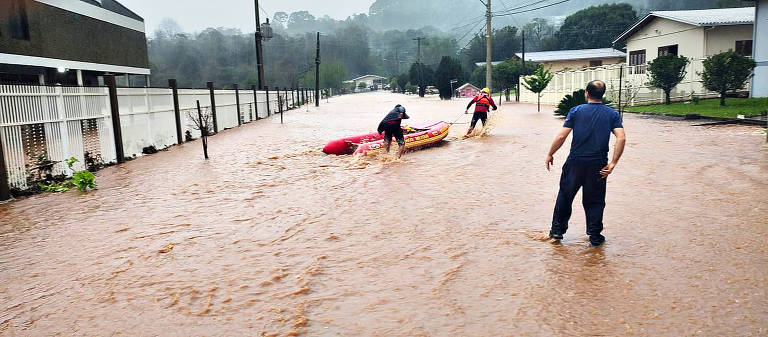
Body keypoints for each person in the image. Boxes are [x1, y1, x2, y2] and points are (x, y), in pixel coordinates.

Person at [545, 80, 626, 247]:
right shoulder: (612, 114)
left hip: (575, 162)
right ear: (602, 94)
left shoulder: (576, 111)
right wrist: (613, 163)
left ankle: (557, 232)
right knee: (595, 201)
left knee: (565, 196)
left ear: (587, 94)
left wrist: (550, 154)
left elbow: (561, 137)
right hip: (598, 165)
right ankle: (595, 237)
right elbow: (621, 137)